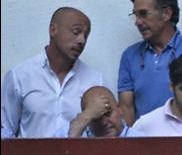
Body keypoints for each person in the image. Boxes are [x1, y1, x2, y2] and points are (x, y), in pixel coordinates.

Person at [1, 7, 105, 139]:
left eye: (86, 35)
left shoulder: (96, 81)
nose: (82, 41)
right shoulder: (19, 77)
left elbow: (104, 134)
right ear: (53, 30)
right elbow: (5, 132)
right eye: (76, 32)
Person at [53, 86, 146, 137]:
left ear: (119, 108)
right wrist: (87, 115)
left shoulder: (139, 140)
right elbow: (57, 151)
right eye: (96, 118)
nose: (104, 123)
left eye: (108, 114)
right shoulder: (81, 136)